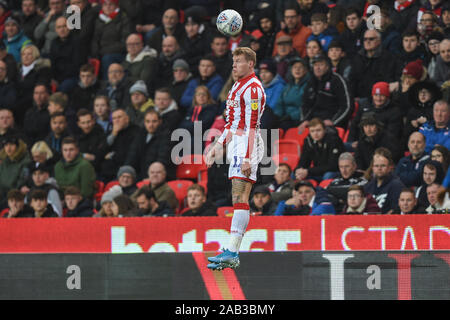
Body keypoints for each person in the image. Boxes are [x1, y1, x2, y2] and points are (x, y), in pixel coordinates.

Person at [205, 47, 266, 271]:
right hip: (238, 143)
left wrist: (249, 156)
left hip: (248, 145)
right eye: (233, 61)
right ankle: (231, 250)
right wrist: (217, 146)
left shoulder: (253, 89)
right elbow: (232, 124)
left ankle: (233, 251)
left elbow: (251, 126)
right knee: (236, 196)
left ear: (250, 64)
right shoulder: (237, 87)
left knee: (241, 195)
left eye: (239, 61)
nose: (234, 65)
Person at [299, 53, 353, 131]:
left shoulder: (337, 80)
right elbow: (305, 105)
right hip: (313, 124)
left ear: (327, 66)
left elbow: (347, 106)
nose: (317, 68)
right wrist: (305, 120)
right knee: (279, 130)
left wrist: (333, 121)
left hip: (332, 125)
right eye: (315, 65)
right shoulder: (311, 82)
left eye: (321, 65)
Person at [125, 109, 172, 181]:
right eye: (148, 121)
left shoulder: (166, 135)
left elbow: (163, 159)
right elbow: (132, 156)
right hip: (141, 175)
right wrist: (126, 173)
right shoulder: (140, 135)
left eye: (154, 121)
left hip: (159, 176)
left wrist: (152, 176)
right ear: (144, 122)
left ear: (160, 122)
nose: (151, 125)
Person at [352, 29, 399, 100]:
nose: (367, 41)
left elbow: (389, 79)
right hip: (360, 98)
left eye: (371, 39)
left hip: (381, 98)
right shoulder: (357, 58)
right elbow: (353, 80)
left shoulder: (389, 58)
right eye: (365, 39)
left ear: (379, 41)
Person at [90, 0, 132, 80]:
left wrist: (103, 51)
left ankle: (107, 84)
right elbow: (94, 40)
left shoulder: (123, 19)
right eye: (105, 4)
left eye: (111, 4)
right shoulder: (98, 20)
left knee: (107, 58)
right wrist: (95, 53)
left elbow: (124, 42)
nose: (108, 7)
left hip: (117, 53)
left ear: (116, 5)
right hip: (101, 53)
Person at [295, 117, 345, 182]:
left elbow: (333, 166)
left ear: (324, 130)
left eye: (318, 130)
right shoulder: (308, 141)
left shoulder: (334, 140)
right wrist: (299, 170)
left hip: (334, 171)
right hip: (317, 172)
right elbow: (303, 161)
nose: (315, 134)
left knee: (328, 175)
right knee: (294, 174)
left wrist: (308, 171)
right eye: (312, 131)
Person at [99, 108, 139, 182]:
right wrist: (113, 134)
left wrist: (111, 155)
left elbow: (128, 153)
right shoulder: (111, 132)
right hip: (107, 171)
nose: (116, 120)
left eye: (119, 117)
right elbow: (101, 152)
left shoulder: (136, 131)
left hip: (124, 172)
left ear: (127, 119)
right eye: (114, 118)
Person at [364, 147, 406, 214]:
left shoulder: (397, 186)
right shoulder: (367, 187)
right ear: (372, 168)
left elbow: (395, 210)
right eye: (376, 166)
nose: (379, 168)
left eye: (383, 166)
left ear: (390, 167)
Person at [274, 57, 310, 130]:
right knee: (268, 124)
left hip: (297, 119)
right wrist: (278, 115)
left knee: (278, 129)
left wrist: (291, 116)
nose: (297, 70)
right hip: (284, 118)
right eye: (295, 67)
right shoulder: (287, 86)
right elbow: (279, 103)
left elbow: (306, 106)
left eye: (300, 67)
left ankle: (273, 141)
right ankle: (263, 141)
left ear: (305, 70)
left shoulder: (309, 86)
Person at [49, 16, 83, 93]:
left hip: (73, 77)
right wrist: (53, 78)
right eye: (59, 27)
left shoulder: (77, 42)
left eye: (64, 26)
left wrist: (59, 79)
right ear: (56, 30)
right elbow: (53, 64)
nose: (62, 29)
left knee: (63, 88)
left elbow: (76, 65)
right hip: (58, 77)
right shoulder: (54, 43)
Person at [178, 85, 218, 150]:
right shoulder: (191, 109)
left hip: (204, 138)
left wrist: (189, 127)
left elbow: (202, 126)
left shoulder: (212, 109)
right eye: (198, 94)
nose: (201, 96)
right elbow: (182, 125)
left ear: (208, 97)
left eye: (204, 94)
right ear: (195, 97)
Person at [0, 135, 31, 200]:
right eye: (6, 145)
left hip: (15, 197)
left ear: (18, 146)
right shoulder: (4, 162)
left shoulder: (25, 162)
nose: (8, 148)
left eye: (11, 145)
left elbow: (23, 180)